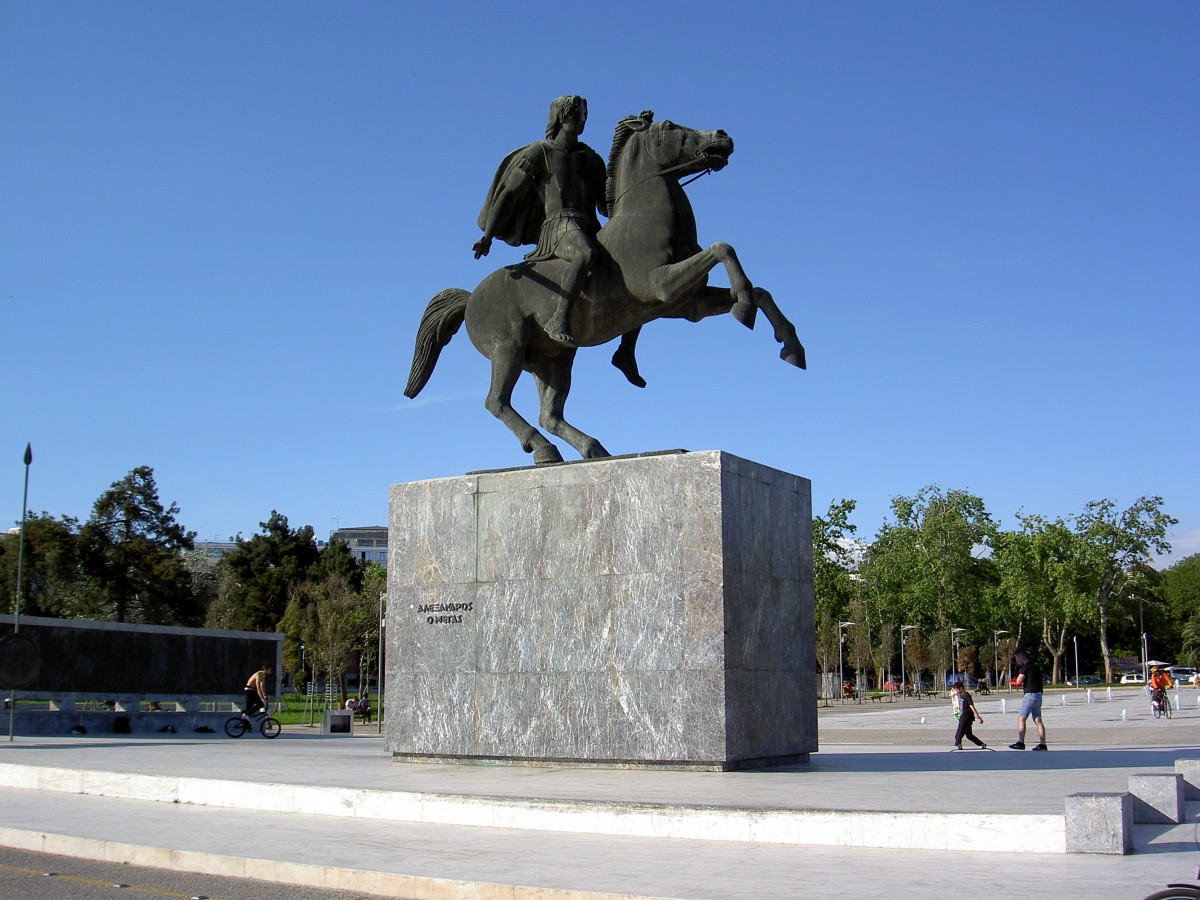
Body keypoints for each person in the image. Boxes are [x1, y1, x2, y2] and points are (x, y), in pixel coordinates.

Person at [473, 96, 646, 385]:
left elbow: (607, 206)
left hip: (590, 226)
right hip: (559, 227)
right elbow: (509, 195)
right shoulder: (539, 153)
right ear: (561, 117)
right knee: (585, 254)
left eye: (586, 113)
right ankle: (558, 318)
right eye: (578, 113)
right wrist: (487, 236)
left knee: (636, 274)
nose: (583, 119)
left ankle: (626, 351)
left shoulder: (591, 158)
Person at [1009, 651, 1047, 750]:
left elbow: (1018, 681)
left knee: (1021, 718)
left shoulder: (1025, 668)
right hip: (1038, 695)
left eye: (1017, 659)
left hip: (1030, 695)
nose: (1017, 661)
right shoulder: (1036, 667)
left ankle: (1021, 742)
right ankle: (1043, 744)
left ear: (1021, 658)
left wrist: (1013, 682)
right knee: (1038, 720)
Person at [950, 680, 987, 750]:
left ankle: (958, 745)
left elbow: (972, 706)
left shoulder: (966, 695)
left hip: (966, 716)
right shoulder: (959, 694)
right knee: (969, 735)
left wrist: (978, 717)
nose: (956, 691)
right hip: (964, 716)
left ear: (961, 688)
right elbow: (953, 696)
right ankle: (982, 744)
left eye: (957, 689)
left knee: (958, 734)